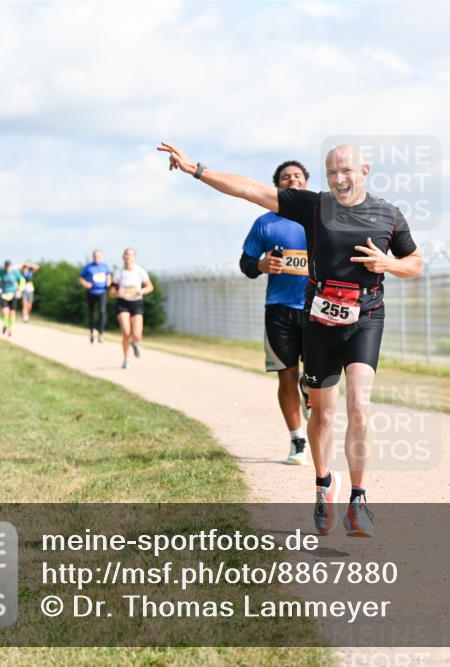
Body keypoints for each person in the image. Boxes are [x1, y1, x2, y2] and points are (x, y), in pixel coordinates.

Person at [157, 141, 422, 538]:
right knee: (324, 413)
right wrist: (197, 170)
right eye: (332, 172)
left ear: (364, 170)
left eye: (346, 171)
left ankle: (359, 498)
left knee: (360, 405)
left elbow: (415, 263)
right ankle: (323, 484)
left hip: (366, 316)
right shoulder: (314, 207)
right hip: (318, 319)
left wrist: (389, 264)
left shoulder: (388, 214)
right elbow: (249, 189)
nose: (339, 179)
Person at [239, 160, 313, 466]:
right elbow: (245, 263)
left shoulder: (321, 219)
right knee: (286, 376)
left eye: (297, 176)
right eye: (285, 178)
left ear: (306, 182)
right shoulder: (264, 224)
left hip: (315, 308)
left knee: (315, 376)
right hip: (279, 311)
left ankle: (309, 389)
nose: (292, 180)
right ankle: (297, 440)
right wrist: (261, 265)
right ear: (278, 186)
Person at [111, 248, 154, 369]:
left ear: (134, 257)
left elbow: (150, 287)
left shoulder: (140, 271)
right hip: (123, 303)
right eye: (126, 255)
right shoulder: (119, 273)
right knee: (126, 332)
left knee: (137, 335)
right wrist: (117, 293)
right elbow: (112, 291)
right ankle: (126, 359)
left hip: (136, 303)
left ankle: (134, 343)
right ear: (123, 257)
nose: (128, 257)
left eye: (130, 255)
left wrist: (142, 291)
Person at [80, 250, 112, 343]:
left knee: (102, 312)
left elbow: (109, 276)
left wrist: (109, 282)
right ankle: (91, 331)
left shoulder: (105, 266)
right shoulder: (88, 267)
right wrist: (85, 283)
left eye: (98, 256)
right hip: (91, 292)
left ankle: (101, 333)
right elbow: (81, 277)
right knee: (91, 313)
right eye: (95, 256)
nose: (96, 258)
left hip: (102, 292)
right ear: (93, 257)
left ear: (101, 257)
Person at [0, 260, 25, 337]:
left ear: (11, 266)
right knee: (5, 311)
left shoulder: (15, 272)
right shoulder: (1, 272)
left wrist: (19, 290)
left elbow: (22, 280)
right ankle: (5, 324)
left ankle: (10, 329)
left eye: (9, 266)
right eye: (6, 266)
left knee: (12, 312)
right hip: (4, 294)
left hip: (13, 294)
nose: (7, 268)